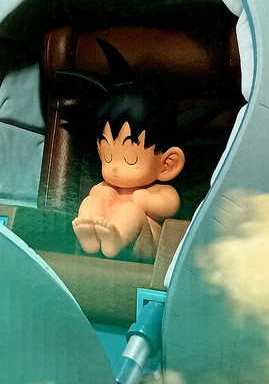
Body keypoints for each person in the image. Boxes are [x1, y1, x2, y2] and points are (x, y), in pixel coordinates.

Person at [60, 40, 187, 262]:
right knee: (90, 202)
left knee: (131, 212)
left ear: (167, 164)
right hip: (105, 237)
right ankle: (90, 235)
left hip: (146, 243)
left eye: (130, 159)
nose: (115, 168)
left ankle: (116, 238)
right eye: (108, 158)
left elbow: (170, 206)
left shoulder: (159, 190)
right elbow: (96, 196)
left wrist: (145, 202)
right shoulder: (107, 186)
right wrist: (99, 196)